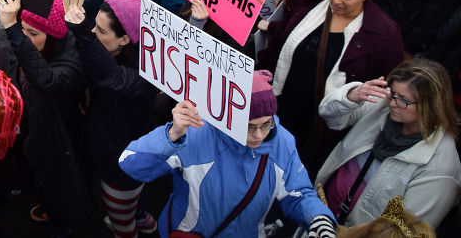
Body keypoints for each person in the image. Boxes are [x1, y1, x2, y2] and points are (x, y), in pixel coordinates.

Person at [119, 70, 338, 237]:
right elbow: (130, 164)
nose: (259, 135)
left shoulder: (283, 141)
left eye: (266, 124)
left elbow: (299, 193)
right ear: (228, 120)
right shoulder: (196, 133)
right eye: (249, 127)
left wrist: (319, 217)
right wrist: (172, 134)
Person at [260, 0, 404, 163]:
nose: (336, 0)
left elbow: (382, 88)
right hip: (280, 104)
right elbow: (281, 39)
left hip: (320, 127)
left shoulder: (384, 35)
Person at [316, 59, 461, 228]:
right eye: (393, 94)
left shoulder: (440, 168)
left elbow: (407, 230)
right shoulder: (382, 105)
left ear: (429, 106)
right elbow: (329, 116)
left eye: (403, 100)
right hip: (321, 213)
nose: (392, 103)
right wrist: (351, 95)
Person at [0, 0, 89, 232]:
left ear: (55, 37)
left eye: (32, 33)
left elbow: (46, 80)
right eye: (23, 29)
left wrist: (14, 32)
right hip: (34, 134)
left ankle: (62, 224)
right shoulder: (40, 49)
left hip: (60, 144)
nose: (24, 38)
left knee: (60, 191)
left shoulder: (71, 65)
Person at [65, 0, 159, 236]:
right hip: (121, 155)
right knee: (133, 204)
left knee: (122, 224)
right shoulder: (132, 53)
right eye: (93, 25)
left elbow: (113, 78)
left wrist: (83, 34)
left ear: (125, 39)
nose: (93, 32)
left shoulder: (143, 77)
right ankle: (144, 220)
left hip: (122, 167)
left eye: (101, 30)